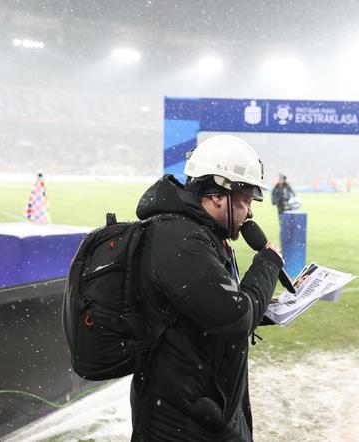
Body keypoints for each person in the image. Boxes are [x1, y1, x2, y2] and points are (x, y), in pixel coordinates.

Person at [130, 134, 284, 441]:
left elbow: (208, 310)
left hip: (205, 410)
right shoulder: (179, 238)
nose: (250, 212)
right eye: (244, 200)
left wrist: (262, 306)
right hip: (182, 424)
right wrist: (268, 263)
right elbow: (234, 318)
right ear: (217, 196)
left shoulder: (200, 234)